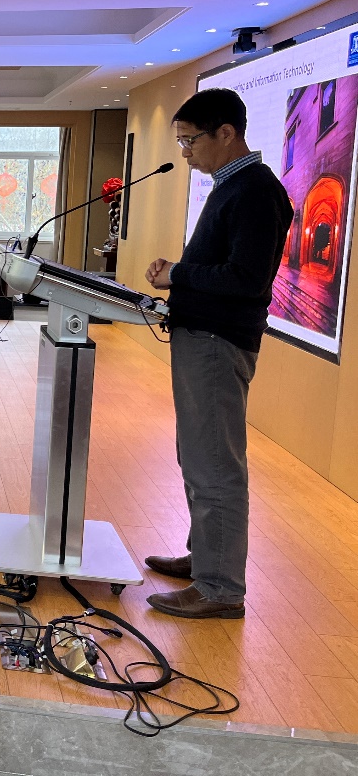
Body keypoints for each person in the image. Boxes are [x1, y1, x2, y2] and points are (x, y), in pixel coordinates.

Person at [143, 88, 292, 621]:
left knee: (215, 465)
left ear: (226, 133)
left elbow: (246, 279)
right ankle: (205, 558)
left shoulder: (255, 190)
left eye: (191, 140)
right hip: (201, 337)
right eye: (181, 142)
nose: (185, 152)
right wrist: (179, 275)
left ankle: (220, 587)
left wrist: (179, 274)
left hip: (216, 342)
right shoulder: (234, 186)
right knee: (197, 456)